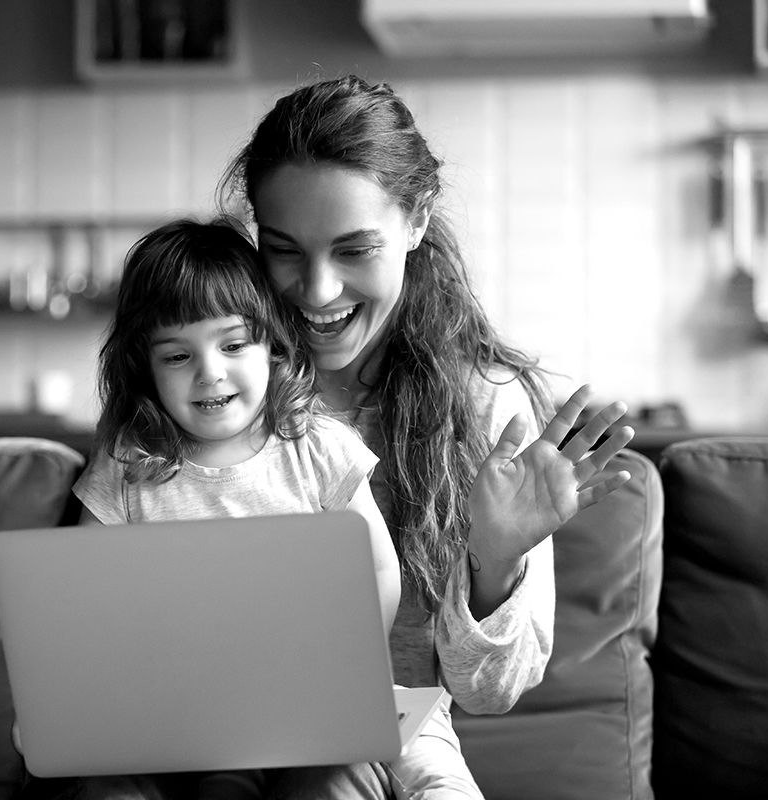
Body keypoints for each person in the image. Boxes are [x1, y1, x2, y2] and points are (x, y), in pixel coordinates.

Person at [216, 74, 635, 795]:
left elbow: (489, 691)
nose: (317, 292)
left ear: (416, 221)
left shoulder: (482, 405)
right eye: (284, 249)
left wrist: (494, 561)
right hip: (209, 740)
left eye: (354, 250)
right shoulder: (213, 389)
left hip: (385, 749)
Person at [41, 217, 482, 800]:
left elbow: (376, 566)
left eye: (232, 344)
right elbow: (80, 594)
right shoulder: (128, 465)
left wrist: (343, 662)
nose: (209, 372)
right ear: (143, 367)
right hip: (182, 711)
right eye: (177, 356)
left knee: (429, 770)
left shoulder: (317, 446)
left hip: (320, 694)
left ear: (272, 345)